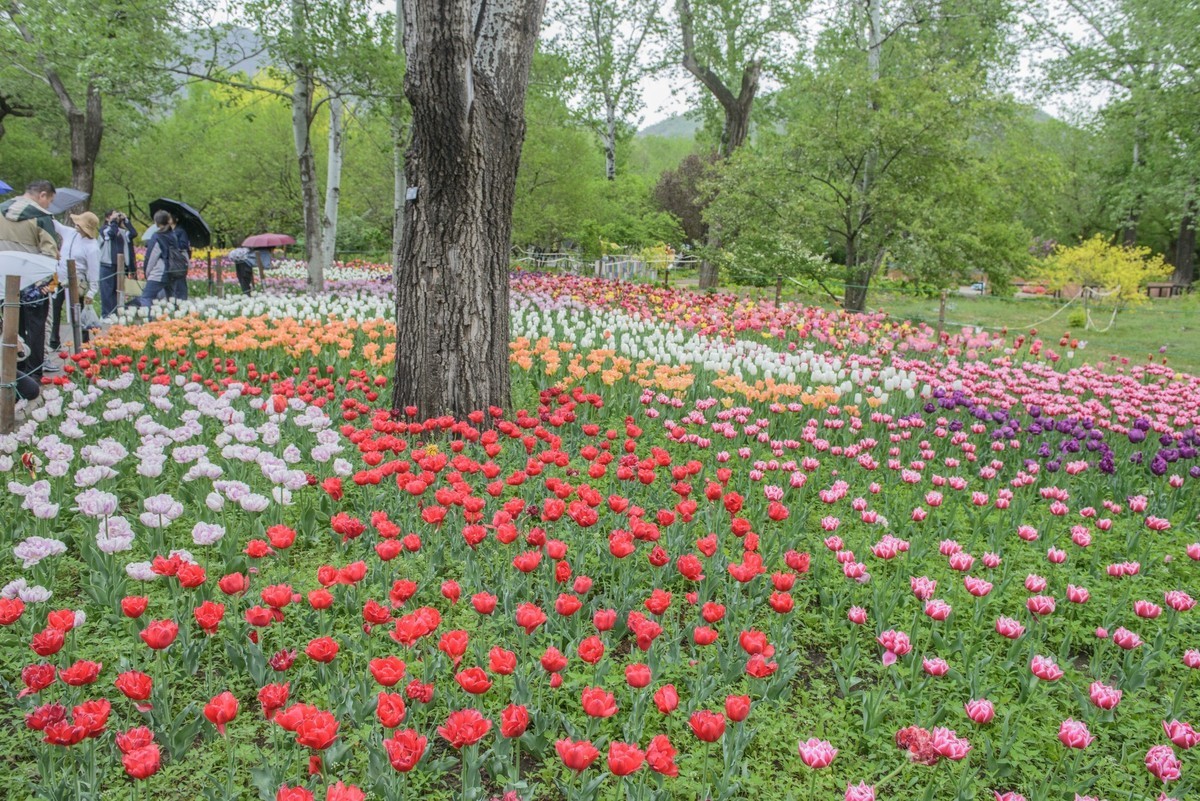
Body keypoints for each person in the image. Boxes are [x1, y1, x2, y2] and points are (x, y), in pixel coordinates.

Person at [0, 180, 59, 382]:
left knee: (10, 327)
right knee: (36, 329)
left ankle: (12, 370)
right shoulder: (42, 217)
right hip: (33, 283)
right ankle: (34, 373)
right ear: (42, 195)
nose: (48, 205)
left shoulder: (1, 210)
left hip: (4, 281)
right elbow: (50, 254)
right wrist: (47, 283)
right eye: (49, 201)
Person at [48, 212, 101, 354]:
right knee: (55, 308)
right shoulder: (70, 233)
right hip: (59, 278)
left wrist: (92, 291)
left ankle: (83, 342)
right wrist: (49, 215)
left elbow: (94, 270)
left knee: (77, 311)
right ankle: (54, 340)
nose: (76, 226)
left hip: (76, 282)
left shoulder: (92, 247)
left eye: (80, 225)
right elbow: (57, 227)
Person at [98, 210, 138, 316]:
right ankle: (106, 314)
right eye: (113, 215)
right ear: (107, 218)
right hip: (107, 265)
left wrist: (126, 220)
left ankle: (116, 314)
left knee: (118, 292)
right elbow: (111, 233)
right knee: (107, 292)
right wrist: (113, 222)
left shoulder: (122, 232)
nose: (116, 217)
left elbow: (133, 233)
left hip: (120, 266)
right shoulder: (104, 230)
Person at [134, 210, 174, 307]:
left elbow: (151, 257)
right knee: (171, 300)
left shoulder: (157, 237)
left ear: (156, 222)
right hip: (174, 271)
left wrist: (147, 273)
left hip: (159, 272)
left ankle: (148, 321)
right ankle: (176, 321)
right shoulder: (173, 235)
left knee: (146, 297)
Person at [168, 213, 191, 300]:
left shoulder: (181, 231)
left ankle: (182, 300)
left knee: (180, 281)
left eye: (169, 218)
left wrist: (173, 243)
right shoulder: (168, 231)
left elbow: (184, 245)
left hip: (179, 260)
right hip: (170, 259)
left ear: (175, 219)